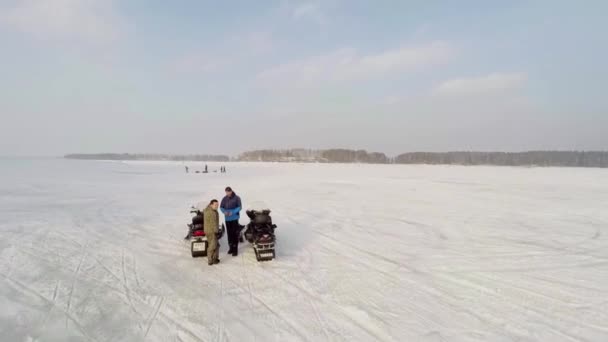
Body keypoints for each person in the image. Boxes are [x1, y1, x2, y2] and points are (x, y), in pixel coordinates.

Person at [220, 186, 242, 256]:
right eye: (226, 192)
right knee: (229, 234)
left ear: (231, 191)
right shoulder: (224, 198)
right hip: (227, 219)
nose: (228, 193)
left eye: (229, 192)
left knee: (234, 234)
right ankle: (231, 248)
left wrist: (232, 212)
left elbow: (240, 207)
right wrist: (224, 212)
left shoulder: (237, 198)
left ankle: (235, 250)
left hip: (235, 218)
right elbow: (221, 207)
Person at [203, 199, 221, 265]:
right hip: (211, 231)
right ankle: (210, 260)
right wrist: (216, 232)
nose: (217, 206)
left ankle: (214, 258)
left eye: (217, 205)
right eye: (215, 205)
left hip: (210, 230)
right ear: (211, 204)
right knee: (213, 246)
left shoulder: (212, 210)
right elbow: (213, 223)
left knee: (216, 245)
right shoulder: (211, 212)